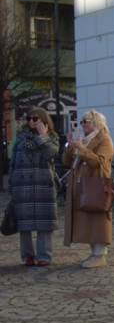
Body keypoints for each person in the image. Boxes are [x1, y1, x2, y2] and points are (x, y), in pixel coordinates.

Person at [9, 107, 61, 266]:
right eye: (29, 118)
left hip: (42, 185)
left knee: (45, 223)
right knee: (24, 224)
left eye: (35, 119)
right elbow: (13, 162)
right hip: (22, 185)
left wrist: (42, 136)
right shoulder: (20, 138)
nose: (31, 121)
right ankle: (28, 255)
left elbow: (50, 154)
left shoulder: (51, 137)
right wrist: (11, 183)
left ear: (43, 121)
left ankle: (44, 255)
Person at [62, 109, 114, 267]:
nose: (83, 124)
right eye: (82, 121)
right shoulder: (83, 140)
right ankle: (94, 254)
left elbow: (99, 162)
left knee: (97, 218)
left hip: (96, 185)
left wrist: (81, 148)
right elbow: (67, 161)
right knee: (87, 219)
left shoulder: (104, 139)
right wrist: (71, 148)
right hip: (82, 185)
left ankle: (99, 255)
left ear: (96, 123)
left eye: (86, 121)